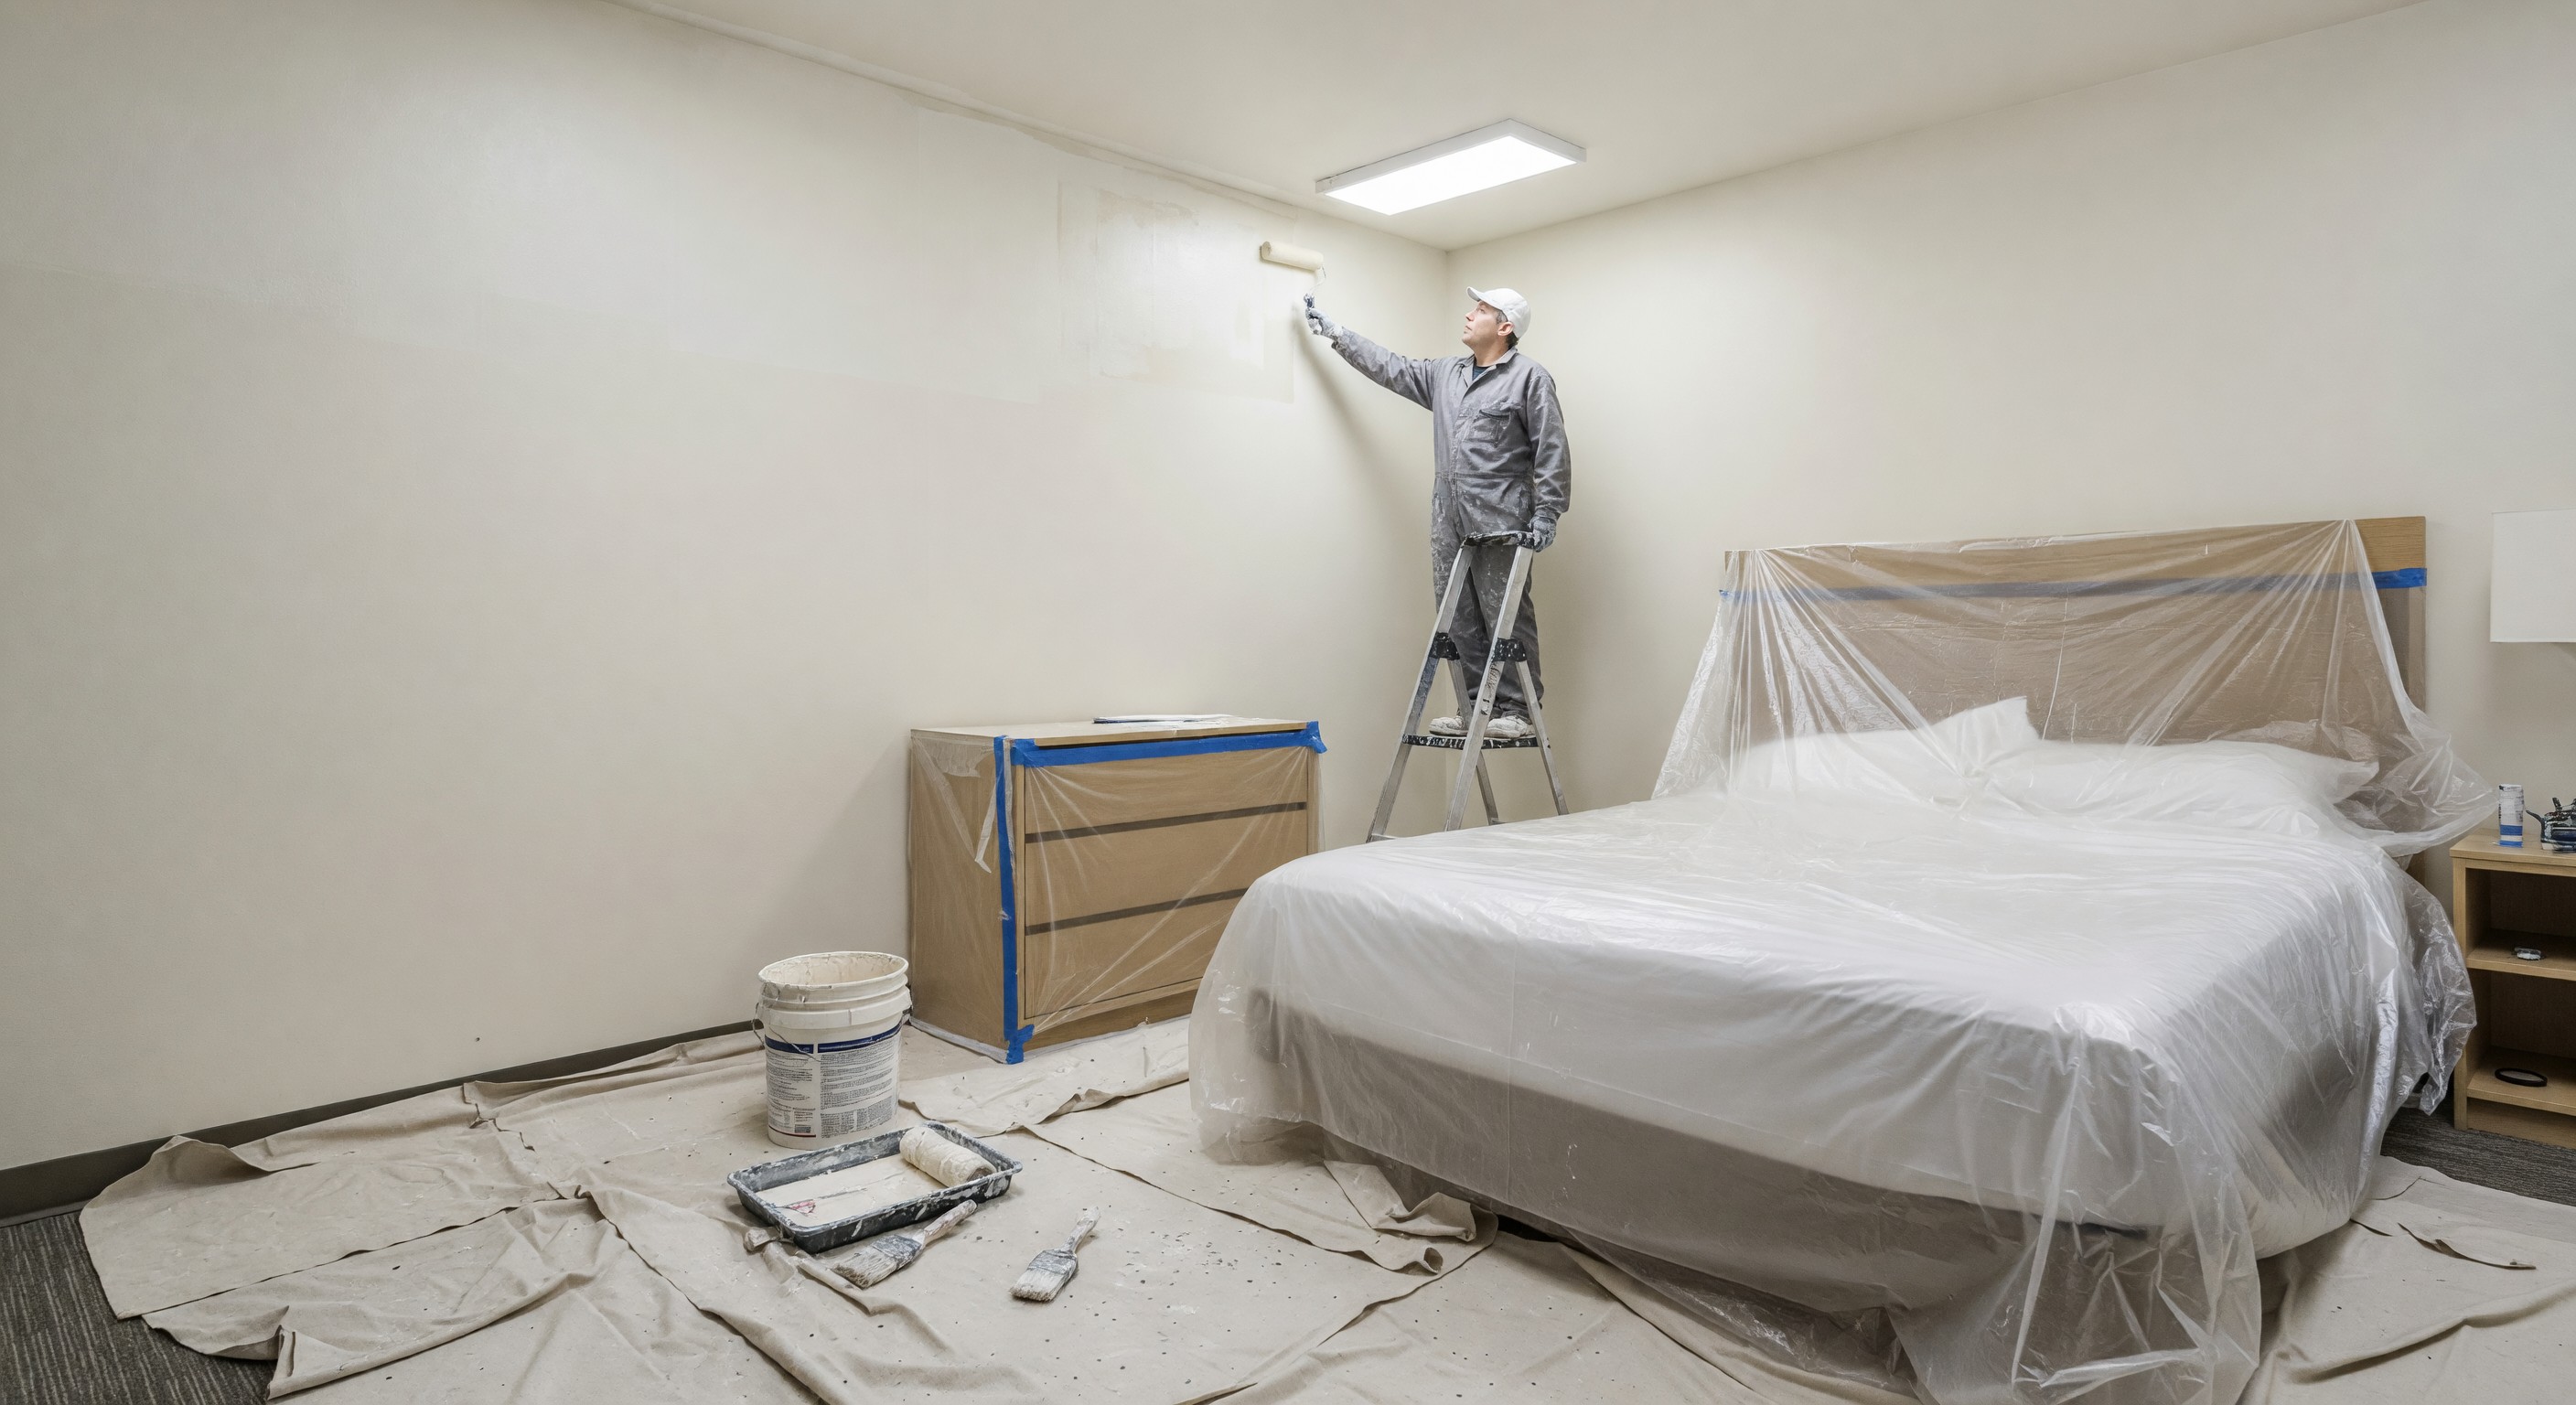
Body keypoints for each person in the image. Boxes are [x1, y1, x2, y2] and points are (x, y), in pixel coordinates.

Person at [1301, 288, 1571, 739]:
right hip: (1449, 517)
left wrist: (1547, 514)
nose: (1469, 314)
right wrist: (1338, 333)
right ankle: (1472, 709)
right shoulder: (1446, 374)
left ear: (1505, 328)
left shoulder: (1529, 378)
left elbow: (1552, 448)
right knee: (1458, 611)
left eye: (1481, 310)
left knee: (1503, 612)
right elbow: (1392, 367)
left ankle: (1517, 710)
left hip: (1503, 517)